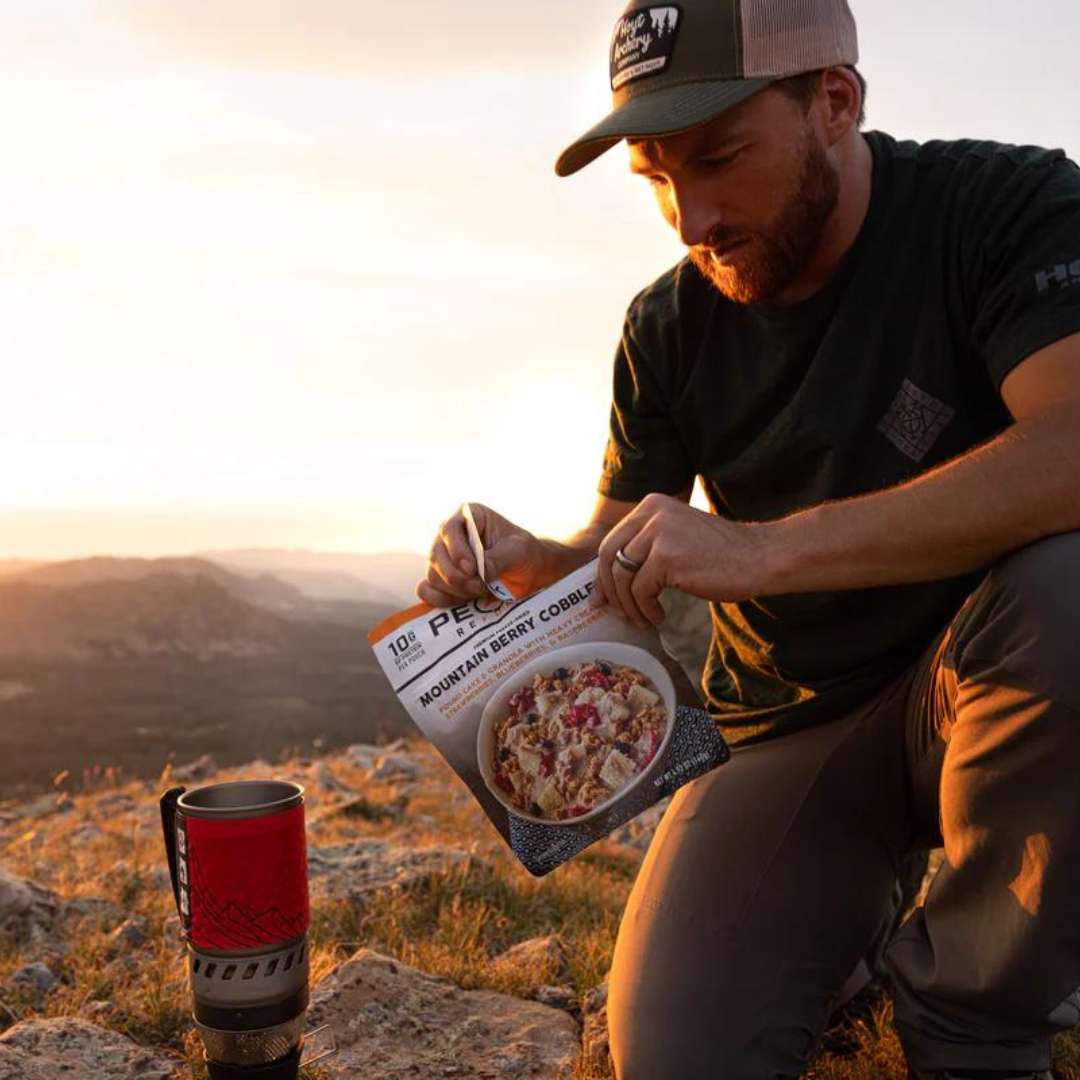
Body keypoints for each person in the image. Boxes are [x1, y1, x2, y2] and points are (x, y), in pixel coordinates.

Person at [418, 0, 1080, 1076]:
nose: (693, 219)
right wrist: (542, 559)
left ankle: (975, 1019)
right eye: (658, 178)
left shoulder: (1004, 207)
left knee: (1073, 588)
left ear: (836, 101)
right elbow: (619, 532)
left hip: (998, 684)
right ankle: (848, 937)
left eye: (722, 158)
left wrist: (762, 550)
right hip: (792, 723)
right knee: (681, 1056)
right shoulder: (666, 328)